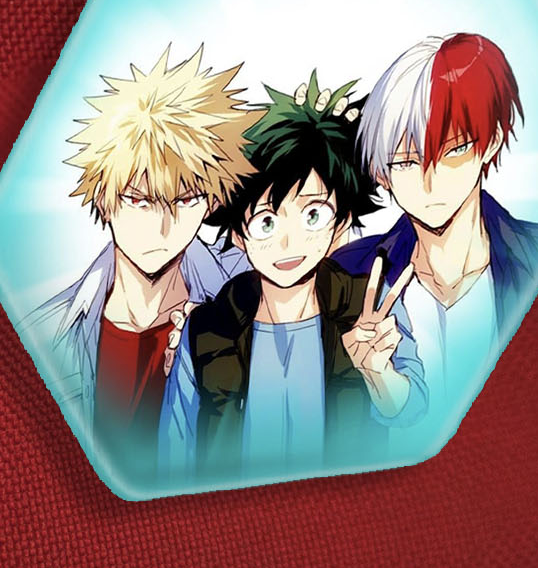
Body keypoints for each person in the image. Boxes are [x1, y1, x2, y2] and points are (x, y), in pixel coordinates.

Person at [161, 74, 426, 481]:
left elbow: (414, 413)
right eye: (266, 221)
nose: (288, 241)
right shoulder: (206, 330)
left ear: (341, 223)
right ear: (239, 233)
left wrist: (379, 374)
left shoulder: (369, 308)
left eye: (312, 214)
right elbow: (172, 454)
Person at [26, 45, 252, 483]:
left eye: (185, 200)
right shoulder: (50, 333)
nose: (163, 226)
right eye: (139, 200)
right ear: (105, 199)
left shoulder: (252, 300)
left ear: (211, 203)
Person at [334, 32, 538, 430]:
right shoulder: (348, 275)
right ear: (381, 172)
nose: (431, 180)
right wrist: (379, 379)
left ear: (490, 142)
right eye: (406, 162)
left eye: (453, 150)